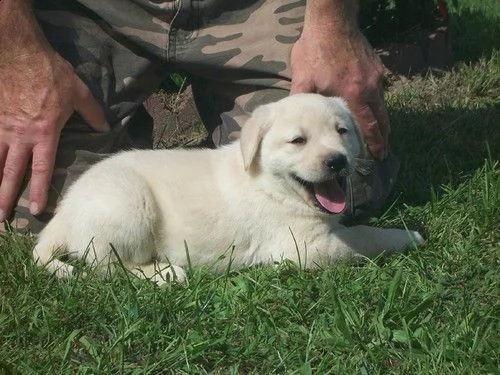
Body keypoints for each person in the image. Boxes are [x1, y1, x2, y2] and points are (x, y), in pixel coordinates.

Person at [0, 0, 397, 233]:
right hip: (97, 8)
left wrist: (333, 28)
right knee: (36, 204)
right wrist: (18, 52)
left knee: (340, 189)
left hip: (253, 10)